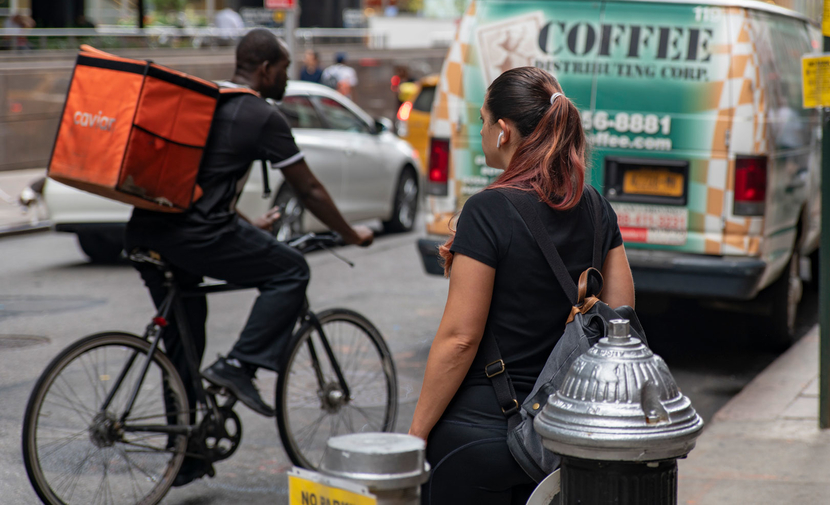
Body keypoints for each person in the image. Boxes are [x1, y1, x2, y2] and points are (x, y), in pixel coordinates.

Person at [124, 28, 374, 487]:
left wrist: (243, 224)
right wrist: (349, 233)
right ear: (264, 69)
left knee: (185, 326)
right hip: (195, 237)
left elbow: (200, 179)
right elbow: (310, 188)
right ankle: (240, 365)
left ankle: (186, 451)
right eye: (283, 69)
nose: (286, 77)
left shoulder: (206, 101)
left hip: (146, 230)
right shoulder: (260, 114)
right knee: (291, 270)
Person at [408, 67, 636, 505]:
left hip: (482, 436)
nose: (480, 130)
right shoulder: (596, 208)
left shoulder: (487, 210)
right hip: (563, 437)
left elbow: (460, 339)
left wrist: (417, 432)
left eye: (482, 120)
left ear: (503, 131)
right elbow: (620, 320)